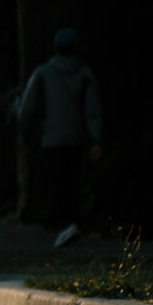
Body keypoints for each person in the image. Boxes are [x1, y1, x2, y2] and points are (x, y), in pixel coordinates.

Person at [18, 29, 103, 248]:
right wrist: (95, 139)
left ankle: (64, 226)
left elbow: (28, 106)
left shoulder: (43, 73)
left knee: (57, 181)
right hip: (76, 137)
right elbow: (92, 110)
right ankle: (71, 224)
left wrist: (25, 131)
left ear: (55, 48)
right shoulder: (84, 74)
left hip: (52, 137)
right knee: (72, 180)